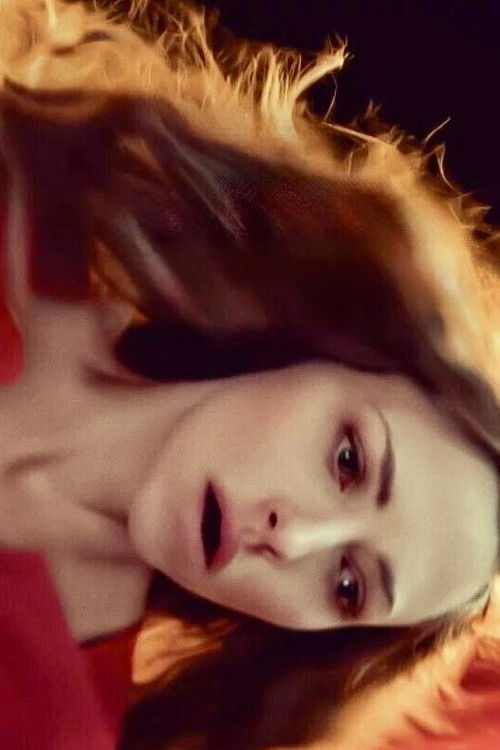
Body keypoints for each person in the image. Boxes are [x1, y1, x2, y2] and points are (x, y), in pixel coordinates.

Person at [0, 1, 498, 748]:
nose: (291, 538)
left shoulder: (53, 724)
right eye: (348, 461)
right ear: (329, 346)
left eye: (347, 586)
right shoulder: (25, 191)